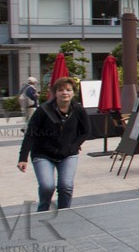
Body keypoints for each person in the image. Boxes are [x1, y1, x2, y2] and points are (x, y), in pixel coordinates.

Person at [18, 76, 89, 212]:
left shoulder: (78, 109)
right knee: (47, 186)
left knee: (66, 186)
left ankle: (63, 212)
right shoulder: (43, 110)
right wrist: (23, 158)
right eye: (60, 90)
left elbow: (86, 132)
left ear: (73, 92)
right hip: (43, 154)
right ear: (55, 93)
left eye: (68, 90)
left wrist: (73, 146)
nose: (65, 93)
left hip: (68, 154)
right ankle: (43, 210)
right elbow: (30, 134)